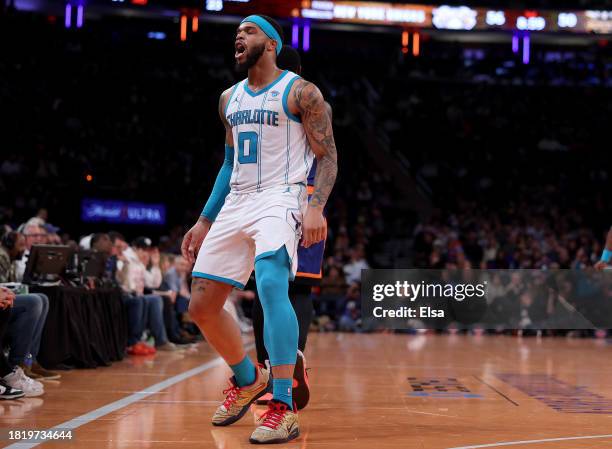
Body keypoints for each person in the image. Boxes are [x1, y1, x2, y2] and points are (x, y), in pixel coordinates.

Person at [181, 14, 337, 444]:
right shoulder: (227, 98)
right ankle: (249, 378)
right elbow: (229, 165)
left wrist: (315, 206)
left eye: (248, 31)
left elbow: (328, 156)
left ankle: (283, 405)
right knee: (201, 306)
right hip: (238, 199)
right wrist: (204, 220)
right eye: (238, 32)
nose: (239, 36)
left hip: (282, 195)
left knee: (271, 284)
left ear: (271, 44)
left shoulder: (301, 92)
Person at [251, 45, 332, 411]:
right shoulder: (311, 101)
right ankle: (293, 358)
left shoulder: (264, 100)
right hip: (304, 200)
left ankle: (271, 369)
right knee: (295, 289)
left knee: (266, 288)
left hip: (273, 201)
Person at [0, 230, 58, 384]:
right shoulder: (2, 256)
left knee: (43, 298)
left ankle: (29, 360)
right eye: (20, 245)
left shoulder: (9, 258)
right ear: (9, 244)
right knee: (34, 302)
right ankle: (16, 364)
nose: (22, 249)